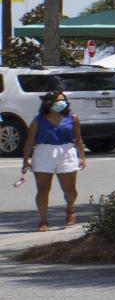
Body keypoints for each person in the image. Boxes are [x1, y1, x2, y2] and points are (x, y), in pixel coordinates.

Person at [24, 91, 82, 229]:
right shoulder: (38, 120)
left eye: (63, 100)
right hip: (44, 153)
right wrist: (25, 160)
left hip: (66, 152)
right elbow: (29, 141)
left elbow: (78, 139)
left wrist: (82, 157)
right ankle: (43, 220)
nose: (61, 103)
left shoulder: (73, 118)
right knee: (43, 189)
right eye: (58, 101)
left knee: (70, 189)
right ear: (49, 104)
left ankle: (70, 209)